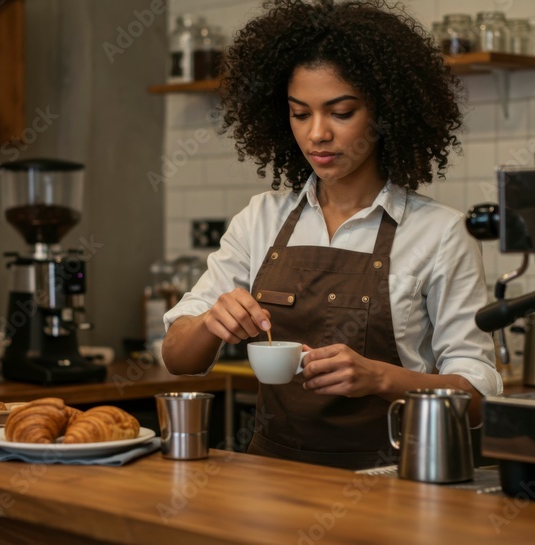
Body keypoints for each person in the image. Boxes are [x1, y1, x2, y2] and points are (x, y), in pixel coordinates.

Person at [161, 0, 501, 470]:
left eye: (340, 112)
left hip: (393, 481)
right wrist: (209, 322)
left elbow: (478, 397)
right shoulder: (260, 219)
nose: (317, 134)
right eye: (300, 114)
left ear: (384, 114)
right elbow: (179, 359)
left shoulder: (440, 233)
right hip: (270, 481)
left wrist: (379, 378)